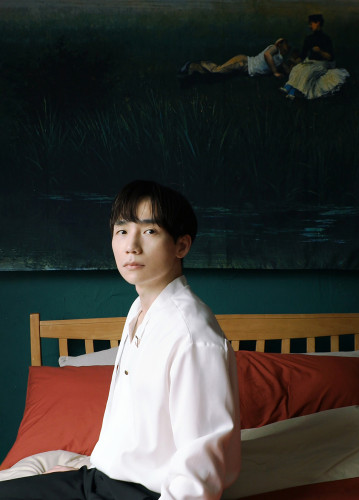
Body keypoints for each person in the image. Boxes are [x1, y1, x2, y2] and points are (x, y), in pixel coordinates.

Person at [0, 180, 241, 499]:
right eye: (122, 231)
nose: (132, 246)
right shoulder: (141, 308)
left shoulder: (193, 335)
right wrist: (84, 471)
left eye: (150, 231)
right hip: (101, 479)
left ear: (181, 246)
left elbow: (199, 473)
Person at [280, 14, 349, 100]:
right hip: (310, 62)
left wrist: (320, 51)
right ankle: (288, 89)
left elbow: (330, 57)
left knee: (307, 72)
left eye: (311, 24)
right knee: (297, 69)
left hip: (322, 63)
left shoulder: (326, 39)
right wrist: (294, 60)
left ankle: (293, 92)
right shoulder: (309, 38)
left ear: (318, 23)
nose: (310, 26)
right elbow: (303, 55)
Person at [179, 38, 291, 79]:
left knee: (216, 74)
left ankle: (193, 69)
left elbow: (288, 71)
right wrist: (275, 72)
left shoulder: (280, 60)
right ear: (280, 44)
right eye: (285, 44)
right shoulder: (274, 48)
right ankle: (191, 65)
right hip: (243, 62)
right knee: (217, 70)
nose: (287, 47)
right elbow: (267, 55)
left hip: (245, 68)